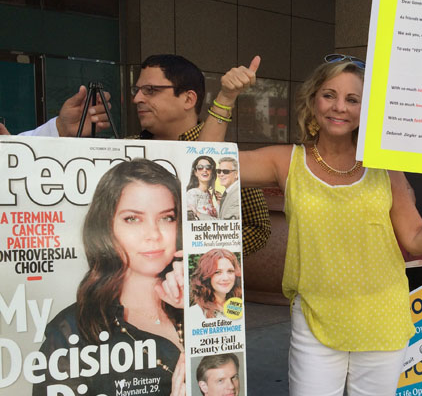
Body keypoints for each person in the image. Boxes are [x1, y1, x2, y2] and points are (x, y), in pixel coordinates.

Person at [202, 54, 422, 396]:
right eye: (330, 95)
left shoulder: (383, 169)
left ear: (366, 109)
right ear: (313, 101)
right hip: (316, 320)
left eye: (353, 99)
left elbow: (415, 238)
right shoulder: (287, 161)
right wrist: (226, 97)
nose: (340, 107)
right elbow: (206, 166)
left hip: (383, 321)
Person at [17, 54, 271, 258]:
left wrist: (198, 252)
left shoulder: (222, 153)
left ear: (188, 99)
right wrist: (57, 133)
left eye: (150, 90)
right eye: (137, 90)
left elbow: (257, 227)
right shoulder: (124, 149)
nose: (137, 98)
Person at [31, 159, 187, 396]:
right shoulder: (73, 331)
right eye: (133, 219)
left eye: (166, 218)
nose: (154, 235)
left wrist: (200, 310)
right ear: (105, 228)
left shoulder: (201, 303)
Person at [188, 248, 242, 323]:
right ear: (206, 276)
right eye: (217, 272)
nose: (225, 278)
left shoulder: (238, 305)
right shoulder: (195, 313)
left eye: (230, 271)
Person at [187, 156, 218, 220]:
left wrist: (220, 203)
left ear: (212, 172)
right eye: (200, 167)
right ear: (195, 173)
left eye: (208, 167)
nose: (204, 170)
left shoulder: (209, 194)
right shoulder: (192, 193)